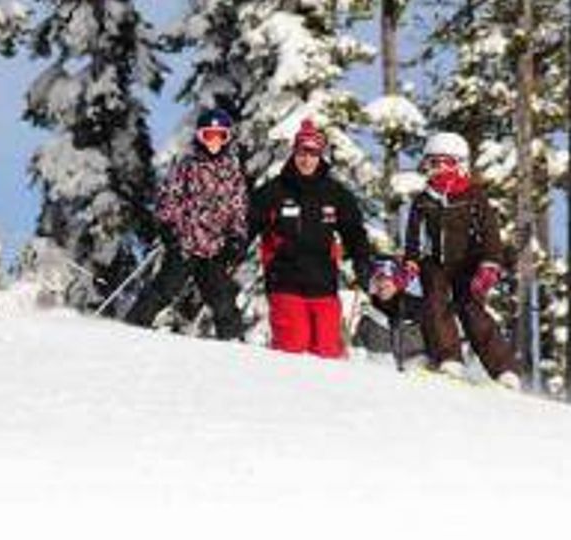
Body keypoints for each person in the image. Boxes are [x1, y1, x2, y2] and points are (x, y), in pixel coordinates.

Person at [402, 132, 523, 389]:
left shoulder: (473, 196)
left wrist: (490, 263)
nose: (435, 169)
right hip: (435, 263)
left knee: (472, 310)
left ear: (458, 164)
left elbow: (490, 233)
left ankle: (503, 370)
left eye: (441, 162)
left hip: (468, 263)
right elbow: (413, 235)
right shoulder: (423, 200)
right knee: (435, 301)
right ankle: (449, 358)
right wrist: (411, 260)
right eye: (431, 163)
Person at [248, 119, 371, 359]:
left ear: (320, 156)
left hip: (323, 282)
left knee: (328, 352)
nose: (307, 160)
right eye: (302, 153)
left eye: (313, 154)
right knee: (292, 346)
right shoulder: (274, 191)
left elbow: (354, 231)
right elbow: (248, 226)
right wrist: (230, 252)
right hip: (285, 279)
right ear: (294, 153)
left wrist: (362, 260)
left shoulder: (335, 193)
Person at [124, 108, 248, 341]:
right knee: (166, 287)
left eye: (219, 136)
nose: (213, 142)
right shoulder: (187, 166)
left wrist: (236, 237)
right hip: (186, 242)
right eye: (208, 136)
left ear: (227, 139)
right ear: (199, 137)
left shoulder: (232, 172)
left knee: (222, 297)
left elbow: (237, 208)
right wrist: (168, 227)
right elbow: (168, 197)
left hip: (215, 247)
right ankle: (134, 325)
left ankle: (233, 340)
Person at [352, 255, 425, 364]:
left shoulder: (407, 303)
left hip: (409, 350)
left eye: (387, 284)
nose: (382, 288)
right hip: (379, 352)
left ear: (396, 284)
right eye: (378, 284)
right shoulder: (373, 306)